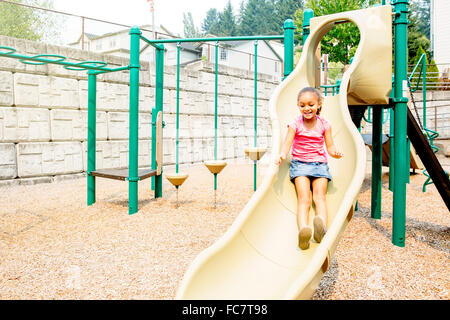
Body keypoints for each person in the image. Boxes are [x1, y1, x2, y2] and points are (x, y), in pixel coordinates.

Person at [275, 87, 343, 250]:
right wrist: (282, 155)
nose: (307, 108)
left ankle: (322, 229)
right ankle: (304, 230)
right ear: (298, 106)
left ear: (318, 104)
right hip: (300, 165)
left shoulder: (325, 124)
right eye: (302, 105)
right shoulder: (295, 124)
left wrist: (335, 153)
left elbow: (330, 146)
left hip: (320, 165)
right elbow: (287, 143)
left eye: (311, 105)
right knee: (304, 199)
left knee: (319, 197)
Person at [342, 64, 368, 129]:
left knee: (354, 121)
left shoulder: (358, 81)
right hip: (351, 103)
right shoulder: (345, 82)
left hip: (357, 104)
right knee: (351, 121)